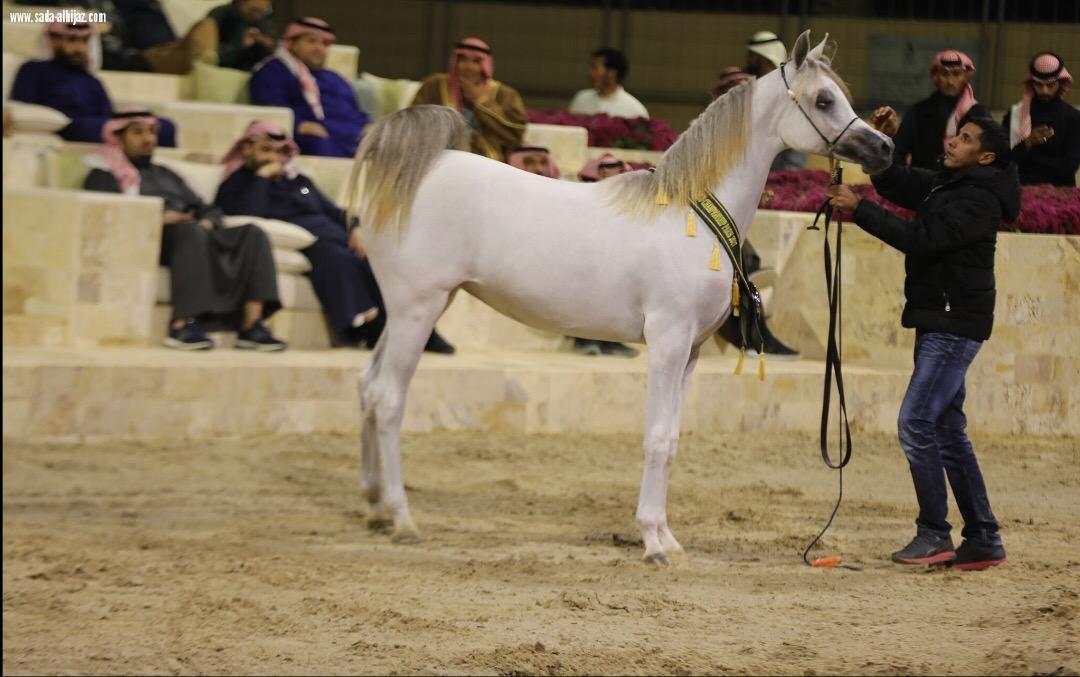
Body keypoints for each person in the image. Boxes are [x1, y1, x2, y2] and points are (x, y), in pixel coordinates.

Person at [826, 108, 1018, 571]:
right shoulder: (951, 184)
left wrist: (859, 209)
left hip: (953, 325)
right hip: (942, 319)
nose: (952, 141)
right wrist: (881, 148)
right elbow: (898, 182)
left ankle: (934, 532)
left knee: (916, 423)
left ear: (986, 157)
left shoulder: (979, 199)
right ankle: (983, 537)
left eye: (966, 139)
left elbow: (922, 238)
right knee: (947, 430)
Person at [213, 122, 456, 353]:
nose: (273, 158)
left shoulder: (299, 181)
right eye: (265, 150)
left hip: (336, 234)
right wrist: (261, 178)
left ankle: (421, 327)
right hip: (312, 240)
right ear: (247, 149)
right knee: (337, 258)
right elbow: (249, 214)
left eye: (279, 152)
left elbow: (334, 211)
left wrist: (356, 228)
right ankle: (374, 327)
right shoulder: (238, 183)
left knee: (386, 258)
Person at [84, 109, 286, 351]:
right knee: (190, 232)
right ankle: (183, 324)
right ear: (118, 137)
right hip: (151, 237)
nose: (148, 139)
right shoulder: (104, 173)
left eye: (151, 132)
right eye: (138, 132)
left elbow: (206, 207)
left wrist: (207, 221)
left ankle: (252, 326)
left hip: (193, 234)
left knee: (253, 233)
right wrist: (157, 218)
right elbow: (106, 216)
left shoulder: (166, 174)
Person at [9, 22, 177, 145]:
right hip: (70, 126)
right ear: (53, 41)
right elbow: (22, 107)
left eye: (84, 41)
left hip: (99, 125)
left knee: (166, 127)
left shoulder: (90, 80)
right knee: (91, 127)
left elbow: (106, 114)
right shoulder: (33, 70)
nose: (80, 48)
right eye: (72, 40)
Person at [249, 17, 368, 158]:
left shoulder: (335, 78)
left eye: (324, 44)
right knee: (316, 141)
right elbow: (270, 109)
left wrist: (370, 127)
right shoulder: (274, 71)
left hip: (353, 138)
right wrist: (299, 125)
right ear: (292, 44)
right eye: (311, 41)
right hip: (313, 138)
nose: (319, 48)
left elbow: (356, 113)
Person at [411, 37, 526, 162]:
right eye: (463, 60)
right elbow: (414, 121)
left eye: (476, 61)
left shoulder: (505, 94)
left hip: (488, 160)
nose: (468, 67)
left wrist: (480, 101)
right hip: (439, 156)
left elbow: (516, 134)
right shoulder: (434, 85)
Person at [893, 50, 989, 170]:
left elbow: (990, 153)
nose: (950, 81)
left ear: (966, 77)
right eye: (944, 74)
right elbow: (898, 153)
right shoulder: (919, 112)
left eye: (956, 74)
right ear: (936, 77)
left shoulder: (979, 113)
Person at [1002, 52, 1080, 186]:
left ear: (1060, 83)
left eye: (1050, 85)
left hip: (1060, 191)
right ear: (1032, 84)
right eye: (1039, 85)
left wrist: (1029, 159)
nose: (1044, 91)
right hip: (1020, 187)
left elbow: (1070, 167)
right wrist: (1028, 142)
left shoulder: (1073, 117)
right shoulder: (1015, 115)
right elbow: (1005, 160)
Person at [143, 0, 275, 74]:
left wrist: (262, 44)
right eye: (253, 10)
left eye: (261, 12)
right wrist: (240, 47)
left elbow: (269, 53)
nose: (256, 16)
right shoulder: (221, 15)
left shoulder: (262, 22)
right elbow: (206, 53)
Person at [740, 33, 806, 172]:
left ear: (762, 56)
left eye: (751, 55)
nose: (748, 59)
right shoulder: (747, 90)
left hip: (778, 175)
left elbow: (796, 141)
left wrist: (786, 177)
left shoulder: (788, 93)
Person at [568, 48, 649, 119]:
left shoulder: (635, 111)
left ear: (612, 73)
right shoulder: (581, 99)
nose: (590, 73)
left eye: (595, 68)